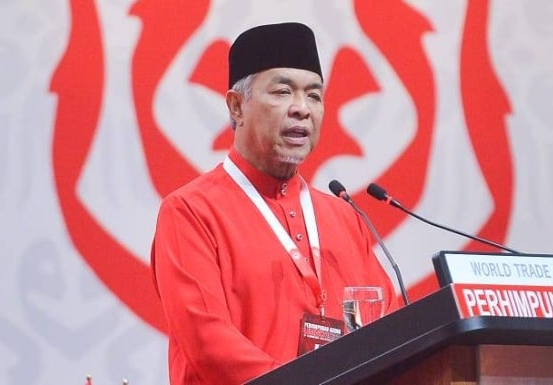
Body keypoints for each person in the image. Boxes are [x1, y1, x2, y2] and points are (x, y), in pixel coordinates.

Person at [151, 22, 398, 385]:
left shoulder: (344, 217)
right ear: (237, 106)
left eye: (314, 96)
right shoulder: (190, 212)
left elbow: (391, 329)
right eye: (283, 92)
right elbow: (208, 345)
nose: (302, 109)